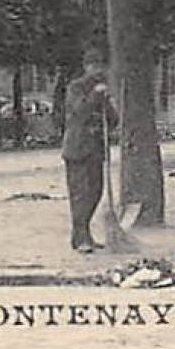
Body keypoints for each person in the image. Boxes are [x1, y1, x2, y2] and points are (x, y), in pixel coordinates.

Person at [62, 71, 117, 253]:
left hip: (95, 149)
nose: (98, 70)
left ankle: (83, 236)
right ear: (87, 67)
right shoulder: (75, 88)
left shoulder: (101, 91)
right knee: (80, 195)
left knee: (96, 191)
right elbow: (80, 112)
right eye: (95, 65)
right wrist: (95, 95)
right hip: (77, 150)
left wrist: (107, 102)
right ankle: (80, 238)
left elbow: (113, 120)